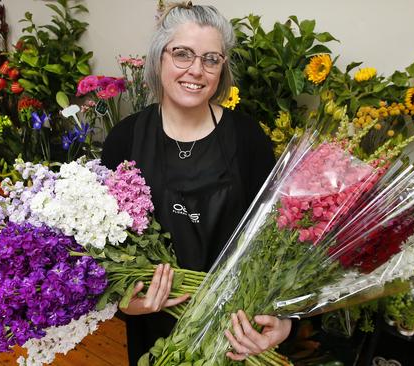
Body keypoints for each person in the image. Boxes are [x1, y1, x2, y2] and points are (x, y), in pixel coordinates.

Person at [100, 2, 291, 364]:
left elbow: (277, 238)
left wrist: (282, 320)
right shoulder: (124, 140)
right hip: (154, 331)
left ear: (222, 68)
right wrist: (128, 302)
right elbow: (102, 247)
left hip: (236, 330)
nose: (196, 71)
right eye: (182, 54)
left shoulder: (247, 138)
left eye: (211, 59)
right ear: (159, 58)